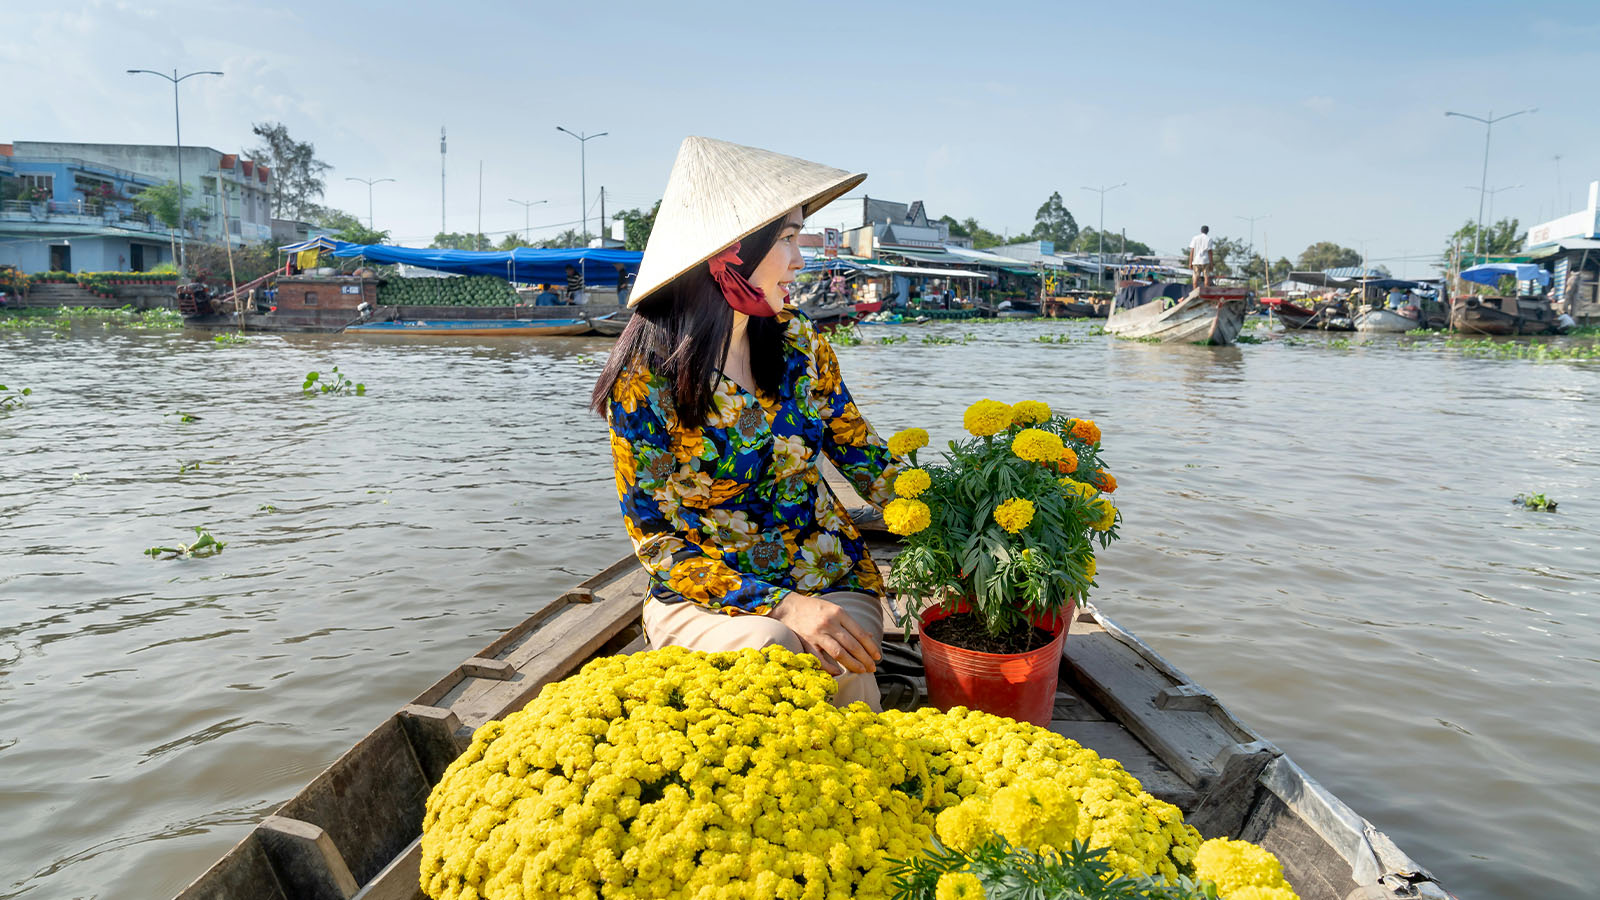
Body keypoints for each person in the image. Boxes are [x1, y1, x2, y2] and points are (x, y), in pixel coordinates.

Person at [591, 136, 902, 710]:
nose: (799, 260)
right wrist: (783, 606)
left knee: (837, 661)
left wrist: (958, 514)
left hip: (826, 573)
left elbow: (864, 456)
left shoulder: (799, 340)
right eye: (787, 239)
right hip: (706, 595)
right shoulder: (646, 378)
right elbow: (656, 541)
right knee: (774, 649)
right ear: (729, 255)